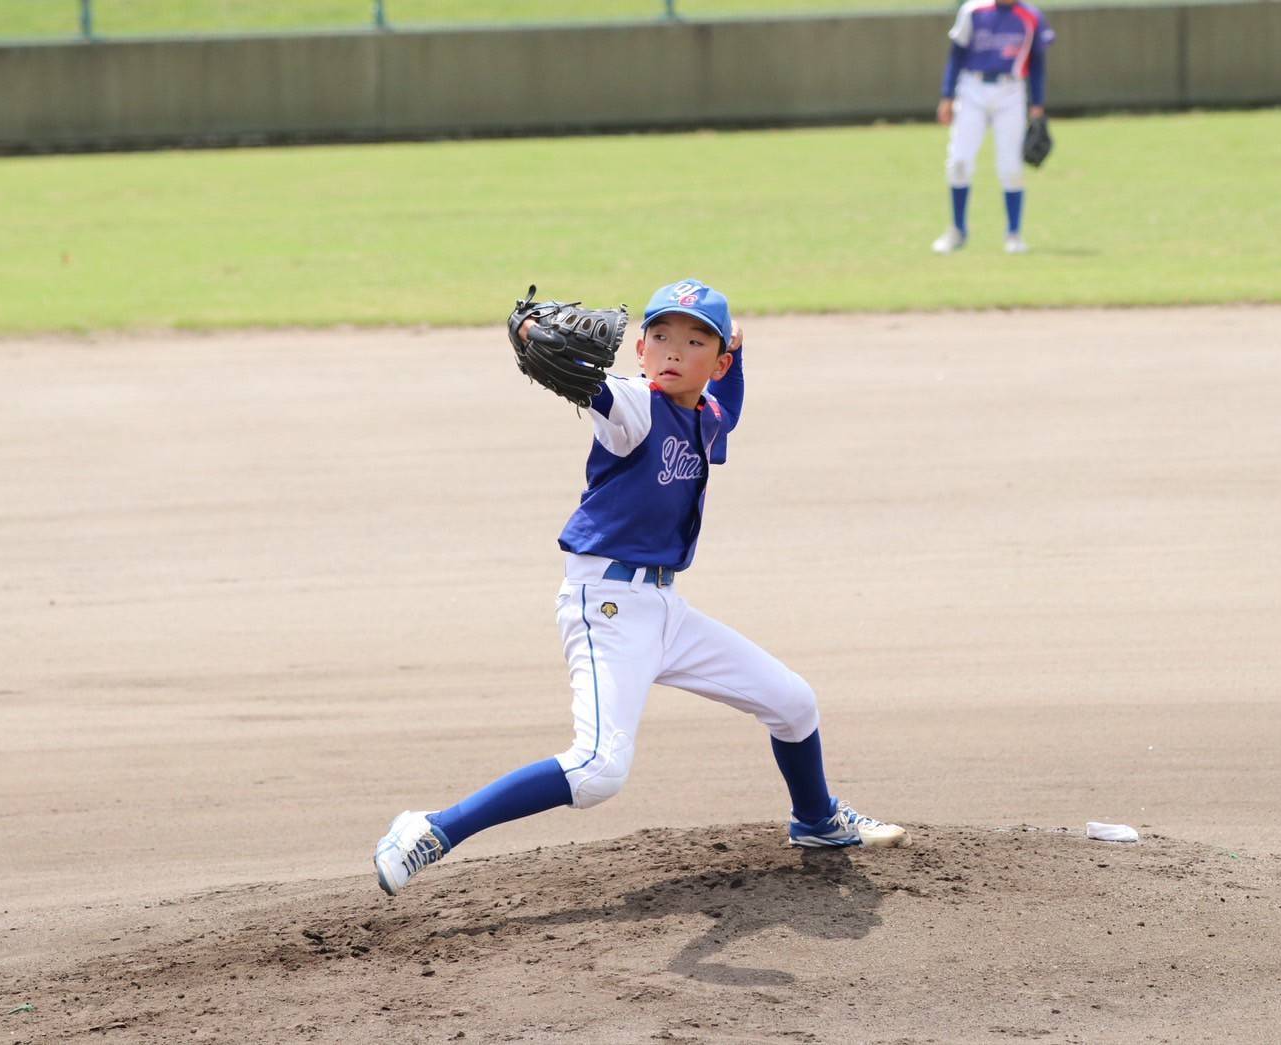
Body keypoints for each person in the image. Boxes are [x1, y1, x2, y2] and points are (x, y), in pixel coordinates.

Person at [372, 278, 908, 896]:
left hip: (662, 611)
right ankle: (431, 829)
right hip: (606, 607)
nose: (674, 350)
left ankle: (816, 821)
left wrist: (738, 355)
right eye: (661, 336)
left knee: (793, 704)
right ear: (640, 350)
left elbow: (727, 409)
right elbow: (597, 391)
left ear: (717, 362)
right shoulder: (634, 404)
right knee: (598, 769)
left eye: (696, 341)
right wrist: (530, 333)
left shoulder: (704, 415)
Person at [932, 0, 1055, 255]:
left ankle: (1014, 234)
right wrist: (947, 95)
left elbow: (1037, 62)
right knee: (959, 161)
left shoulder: (1030, 16)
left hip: (1011, 91)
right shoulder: (973, 11)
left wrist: (1038, 105)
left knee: (1011, 166)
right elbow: (956, 54)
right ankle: (957, 230)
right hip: (971, 88)